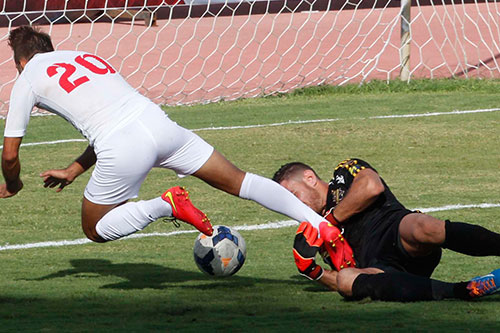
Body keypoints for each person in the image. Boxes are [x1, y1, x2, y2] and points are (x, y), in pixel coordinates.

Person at [1, 26, 329, 244]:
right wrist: (75, 169)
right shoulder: (86, 57)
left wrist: (14, 184)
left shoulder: (27, 77)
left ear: (21, 61)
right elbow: (116, 113)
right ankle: (320, 224)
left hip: (123, 145)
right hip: (160, 124)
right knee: (240, 182)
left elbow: (10, 155)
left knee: (95, 228)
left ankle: (165, 204)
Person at [273, 159, 500, 301]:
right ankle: (466, 290)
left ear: (310, 178)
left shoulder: (344, 173)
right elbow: (342, 280)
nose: (294, 206)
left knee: (421, 225)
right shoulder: (312, 234)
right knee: (346, 280)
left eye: (293, 196)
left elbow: (372, 187)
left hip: (396, 231)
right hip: (380, 270)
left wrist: (330, 220)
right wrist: (313, 271)